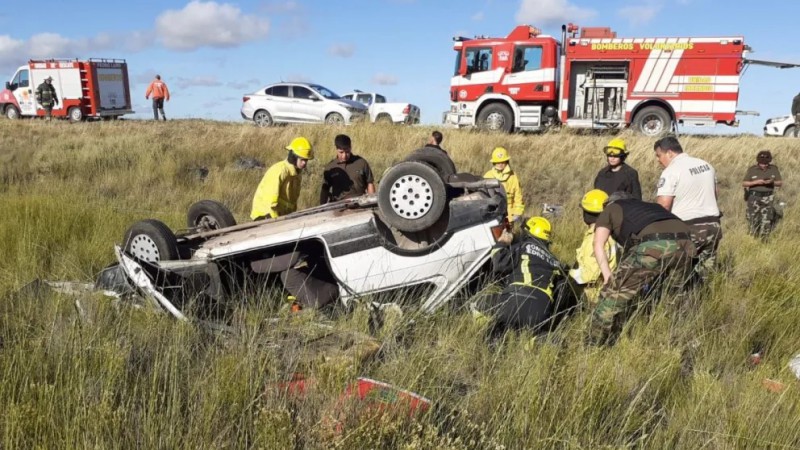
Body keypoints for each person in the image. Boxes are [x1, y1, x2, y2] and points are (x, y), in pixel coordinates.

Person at [589, 192, 696, 345]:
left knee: (611, 297)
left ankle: (594, 344)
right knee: (674, 297)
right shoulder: (651, 207)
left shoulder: (611, 209)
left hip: (654, 245)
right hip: (686, 243)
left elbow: (599, 244)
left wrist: (607, 276)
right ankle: (677, 339)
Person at [472, 217, 567, 334]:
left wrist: (502, 242)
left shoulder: (522, 247)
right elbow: (561, 293)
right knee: (536, 330)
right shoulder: (555, 261)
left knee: (478, 304)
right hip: (541, 310)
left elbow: (500, 264)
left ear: (526, 232)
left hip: (515, 298)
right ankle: (537, 337)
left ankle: (489, 332)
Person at [654, 136, 721, 281]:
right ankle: (708, 300)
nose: (658, 160)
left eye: (659, 156)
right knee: (706, 273)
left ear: (669, 153)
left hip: (689, 229)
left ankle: (679, 302)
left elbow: (663, 205)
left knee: (677, 275)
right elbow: (715, 194)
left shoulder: (671, 171)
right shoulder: (706, 165)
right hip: (713, 226)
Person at [569, 189, 619, 304]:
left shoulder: (594, 239)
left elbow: (589, 275)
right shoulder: (610, 234)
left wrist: (567, 274)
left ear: (587, 213)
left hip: (591, 298)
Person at [251, 137, 313, 220]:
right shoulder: (280, 170)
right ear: (293, 156)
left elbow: (292, 201)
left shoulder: (297, 174)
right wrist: (275, 221)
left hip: (281, 216)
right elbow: (270, 201)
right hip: (265, 215)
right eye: (302, 159)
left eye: (306, 160)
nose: (304, 163)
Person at [319, 134, 375, 204]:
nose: (344, 155)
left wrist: (371, 202)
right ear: (336, 149)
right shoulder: (330, 167)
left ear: (350, 148)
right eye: (341, 152)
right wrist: (322, 207)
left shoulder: (361, 163)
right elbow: (325, 189)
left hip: (360, 203)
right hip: (338, 206)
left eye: (347, 152)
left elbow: (370, 183)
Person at [742, 150, 783, 239]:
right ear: (758, 161)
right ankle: (753, 237)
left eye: (765, 163)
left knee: (766, 218)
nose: (763, 165)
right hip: (754, 197)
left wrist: (772, 182)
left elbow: (779, 183)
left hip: (768, 197)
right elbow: (744, 183)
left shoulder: (774, 169)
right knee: (753, 218)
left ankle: (764, 239)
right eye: (761, 163)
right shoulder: (752, 169)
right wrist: (756, 182)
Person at [483, 147, 525, 222]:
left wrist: (517, 213)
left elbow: (518, 195)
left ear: (507, 162)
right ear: (494, 163)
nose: (500, 164)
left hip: (509, 215)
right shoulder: (488, 176)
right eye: (497, 162)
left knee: (508, 233)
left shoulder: (513, 176)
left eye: (502, 162)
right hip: (494, 215)